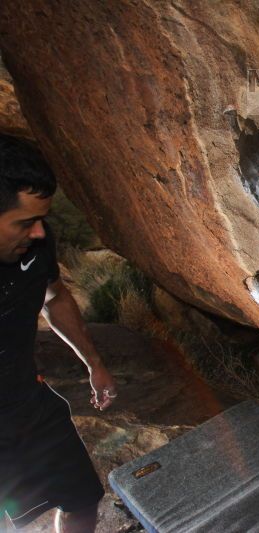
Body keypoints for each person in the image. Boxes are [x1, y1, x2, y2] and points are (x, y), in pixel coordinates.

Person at [0, 134, 116, 532]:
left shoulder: (35, 244)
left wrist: (94, 364)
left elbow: (55, 295)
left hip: (27, 404)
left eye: (41, 219)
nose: (37, 233)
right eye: (25, 222)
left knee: (83, 498)